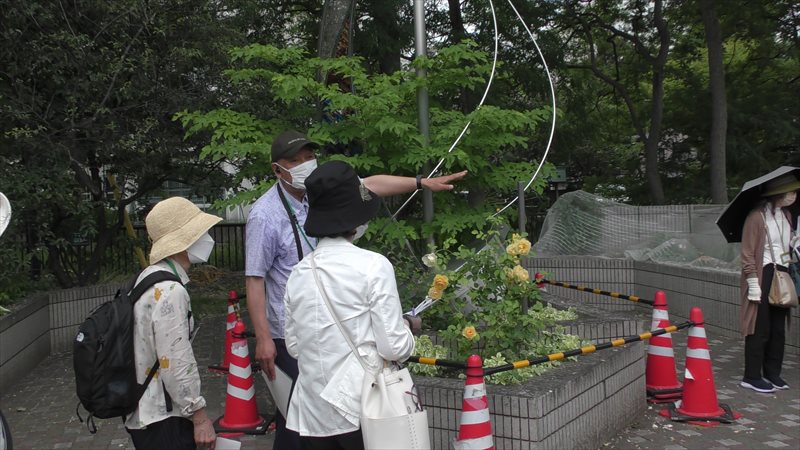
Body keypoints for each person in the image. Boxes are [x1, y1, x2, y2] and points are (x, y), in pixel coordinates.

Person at [245, 130, 465, 448]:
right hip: (341, 375)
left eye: (309, 157)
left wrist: (421, 183)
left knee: (306, 421)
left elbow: (370, 184)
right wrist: (264, 337)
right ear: (277, 170)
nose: (306, 164)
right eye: (296, 160)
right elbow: (255, 278)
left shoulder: (316, 197)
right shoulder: (266, 216)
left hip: (310, 352)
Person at [283, 160, 421, 449]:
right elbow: (394, 347)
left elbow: (294, 346)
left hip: (311, 413)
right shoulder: (373, 266)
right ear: (355, 219)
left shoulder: (299, 272)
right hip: (363, 406)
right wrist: (409, 327)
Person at [125, 197, 221, 449]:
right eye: (199, 232)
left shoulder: (146, 278)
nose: (206, 237)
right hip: (164, 416)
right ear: (182, 241)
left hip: (144, 411)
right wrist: (199, 416)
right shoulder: (169, 290)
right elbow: (175, 358)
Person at [739, 173, 799, 393]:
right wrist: (753, 282)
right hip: (762, 273)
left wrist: (793, 243)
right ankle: (752, 375)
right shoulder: (757, 216)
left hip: (781, 273)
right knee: (759, 326)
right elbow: (747, 252)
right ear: (778, 194)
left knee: (778, 329)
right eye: (790, 192)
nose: (793, 196)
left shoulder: (787, 216)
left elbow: (786, 250)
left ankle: (773, 373)